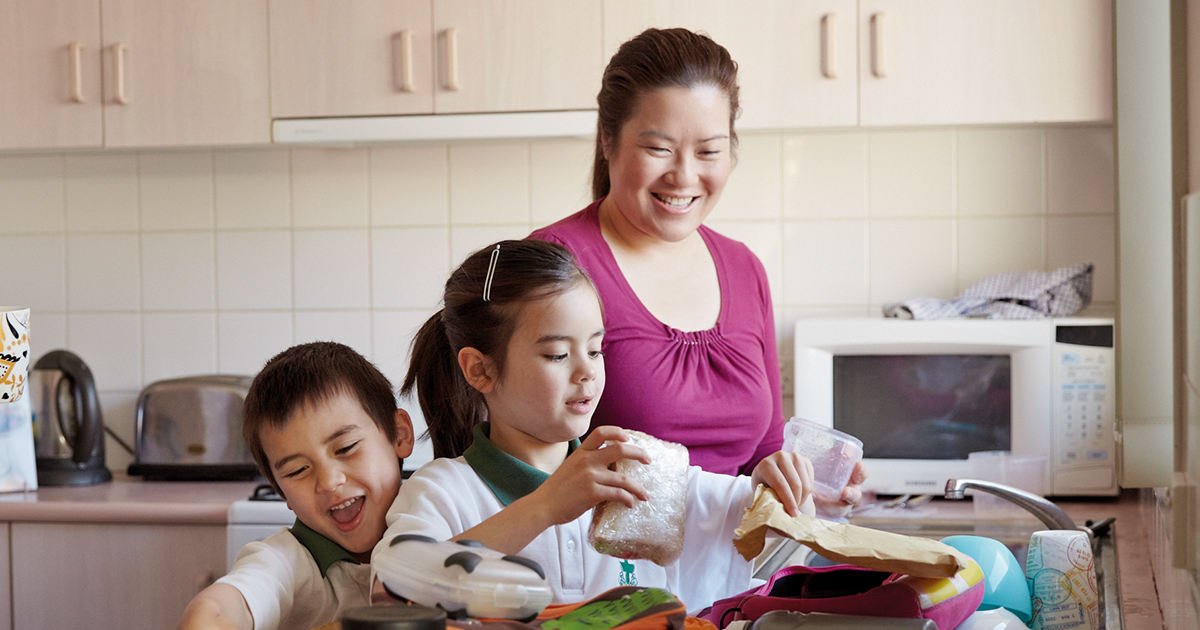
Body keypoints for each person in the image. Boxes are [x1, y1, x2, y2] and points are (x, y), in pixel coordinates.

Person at [377, 239, 816, 613]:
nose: (586, 371)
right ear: (479, 370)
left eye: (596, 349)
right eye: (556, 355)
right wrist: (544, 507)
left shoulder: (640, 473)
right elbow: (390, 595)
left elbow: (768, 518)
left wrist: (774, 484)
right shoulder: (443, 492)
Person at [529, 28, 866, 513]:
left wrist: (800, 485)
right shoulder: (556, 264)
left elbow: (762, 454)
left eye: (708, 151)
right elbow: (520, 460)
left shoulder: (744, 268)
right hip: (611, 578)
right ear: (608, 140)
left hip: (730, 575)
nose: (684, 176)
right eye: (659, 149)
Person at [179, 342, 415, 630]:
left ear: (400, 435)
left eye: (345, 448)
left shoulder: (442, 512)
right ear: (280, 491)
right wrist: (206, 616)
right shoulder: (287, 561)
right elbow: (223, 606)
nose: (329, 482)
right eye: (298, 470)